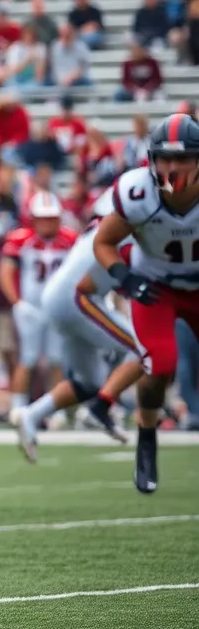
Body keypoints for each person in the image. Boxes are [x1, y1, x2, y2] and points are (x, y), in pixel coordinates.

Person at [94, 113, 199, 493]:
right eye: (165, 159)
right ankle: (147, 434)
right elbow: (103, 242)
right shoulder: (138, 192)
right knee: (160, 363)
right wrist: (126, 278)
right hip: (157, 285)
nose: (173, 167)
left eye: (184, 158)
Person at [10, 189, 141, 462]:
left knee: (87, 380)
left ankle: (31, 415)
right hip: (77, 298)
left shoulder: (91, 233)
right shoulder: (121, 230)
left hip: (62, 300)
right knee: (143, 349)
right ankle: (102, 409)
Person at [0, 191, 77, 428]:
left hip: (58, 307)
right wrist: (17, 303)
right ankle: (18, 408)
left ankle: (57, 410)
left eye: (52, 217)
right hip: (30, 307)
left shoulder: (70, 239)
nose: (47, 222)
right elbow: (5, 273)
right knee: (28, 357)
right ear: (32, 218)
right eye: (42, 218)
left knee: (57, 358)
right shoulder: (21, 239)